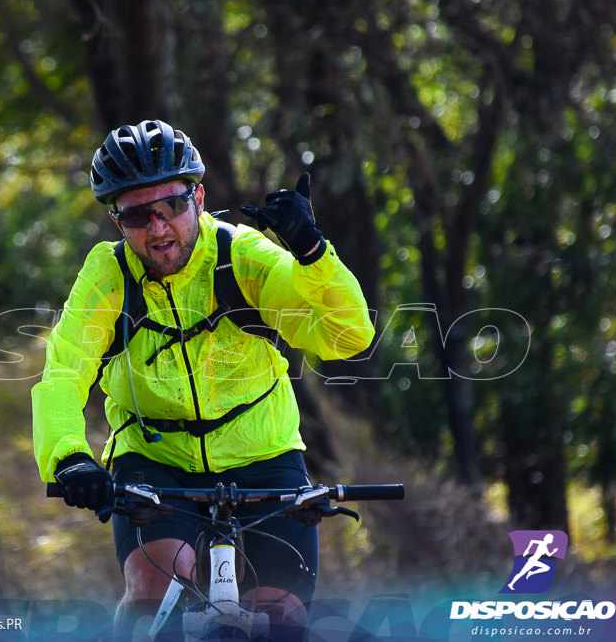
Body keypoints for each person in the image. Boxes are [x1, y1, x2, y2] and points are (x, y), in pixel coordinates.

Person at [32, 119, 375, 638]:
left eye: (170, 206)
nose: (158, 228)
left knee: (282, 620)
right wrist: (69, 457)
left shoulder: (241, 257)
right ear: (116, 220)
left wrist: (312, 254)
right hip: (154, 460)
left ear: (198, 196)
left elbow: (348, 336)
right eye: (136, 215)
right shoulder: (109, 275)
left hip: (264, 454)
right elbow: (63, 371)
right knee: (153, 594)